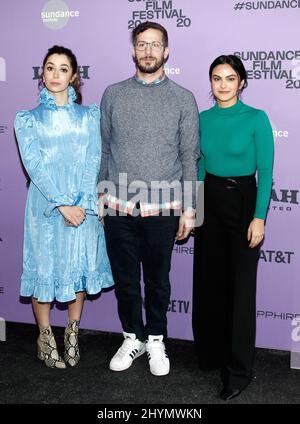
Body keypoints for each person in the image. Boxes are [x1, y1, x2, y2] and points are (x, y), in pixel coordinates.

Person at [99, 21, 199, 376]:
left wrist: (190, 209)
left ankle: (156, 339)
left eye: (155, 45)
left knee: (158, 280)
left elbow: (190, 158)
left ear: (166, 51)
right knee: (125, 280)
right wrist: (100, 193)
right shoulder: (112, 94)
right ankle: (132, 338)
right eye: (142, 45)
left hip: (163, 207)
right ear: (133, 50)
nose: (148, 51)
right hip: (118, 206)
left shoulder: (184, 98)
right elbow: (105, 149)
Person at [14, 45, 114, 369]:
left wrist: (83, 204)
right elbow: (34, 166)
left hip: (82, 204)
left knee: (78, 269)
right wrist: (61, 205)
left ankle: (72, 332)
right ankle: (45, 337)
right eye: (49, 68)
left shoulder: (89, 116)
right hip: (44, 206)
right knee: (44, 269)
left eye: (63, 68)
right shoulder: (27, 119)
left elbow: (93, 160)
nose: (55, 74)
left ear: (74, 76)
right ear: (42, 74)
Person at [193, 55, 274, 399]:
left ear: (241, 82)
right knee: (210, 283)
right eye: (216, 78)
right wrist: (194, 211)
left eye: (230, 78)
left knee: (240, 291)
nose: (223, 84)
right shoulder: (202, 119)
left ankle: (238, 372)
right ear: (210, 83)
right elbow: (199, 167)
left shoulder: (257, 118)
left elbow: (266, 174)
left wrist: (259, 217)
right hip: (209, 200)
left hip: (243, 203)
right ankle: (212, 354)